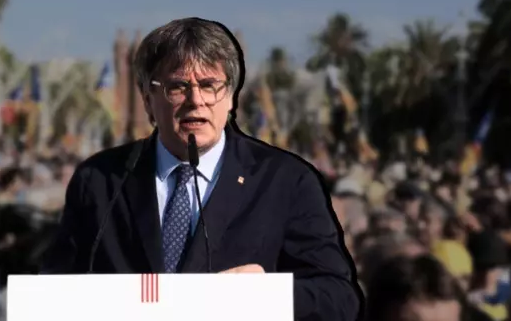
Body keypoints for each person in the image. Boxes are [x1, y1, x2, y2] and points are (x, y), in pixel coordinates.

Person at [46, 17, 361, 320]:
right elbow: (54, 292)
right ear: (147, 99)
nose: (195, 100)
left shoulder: (287, 181)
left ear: (231, 98)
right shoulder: (100, 181)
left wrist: (268, 295)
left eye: (210, 85)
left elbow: (339, 299)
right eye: (177, 86)